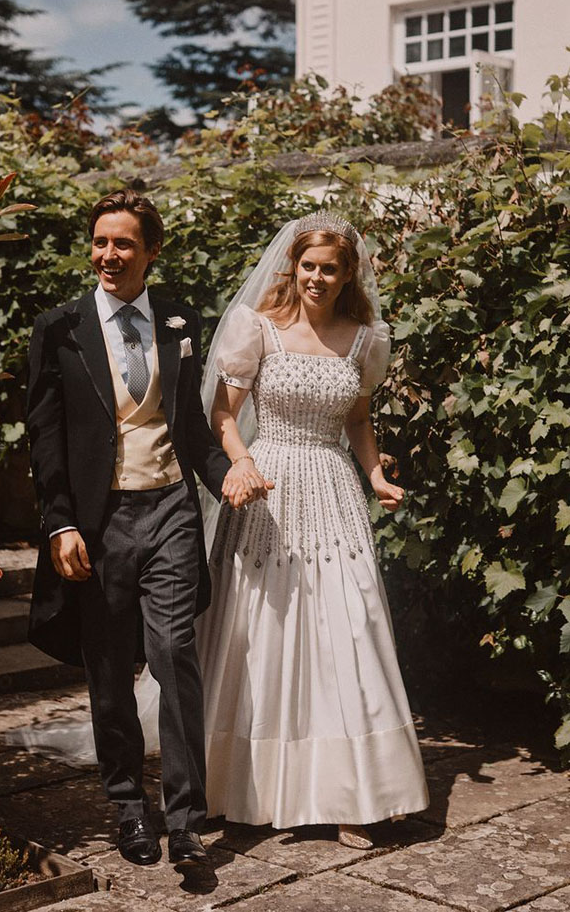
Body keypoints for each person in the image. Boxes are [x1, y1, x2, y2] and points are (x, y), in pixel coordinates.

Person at [25, 189, 259, 869]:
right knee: (108, 669)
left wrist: (229, 476)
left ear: (151, 251)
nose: (108, 254)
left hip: (170, 511)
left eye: (123, 243)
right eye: (100, 241)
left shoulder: (181, 321)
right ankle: (129, 808)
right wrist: (60, 523)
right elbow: (44, 436)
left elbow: (190, 429)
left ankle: (185, 821)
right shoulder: (59, 328)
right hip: (99, 524)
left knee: (175, 655)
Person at [194, 210, 429, 847]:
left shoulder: (365, 340)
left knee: (348, 628)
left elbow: (357, 420)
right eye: (308, 266)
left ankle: (355, 793)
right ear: (292, 267)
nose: (317, 278)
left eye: (330, 268)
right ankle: (229, 785)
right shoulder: (257, 328)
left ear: (348, 273)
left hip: (332, 487)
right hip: (267, 488)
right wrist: (241, 463)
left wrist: (375, 475)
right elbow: (222, 416)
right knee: (258, 632)